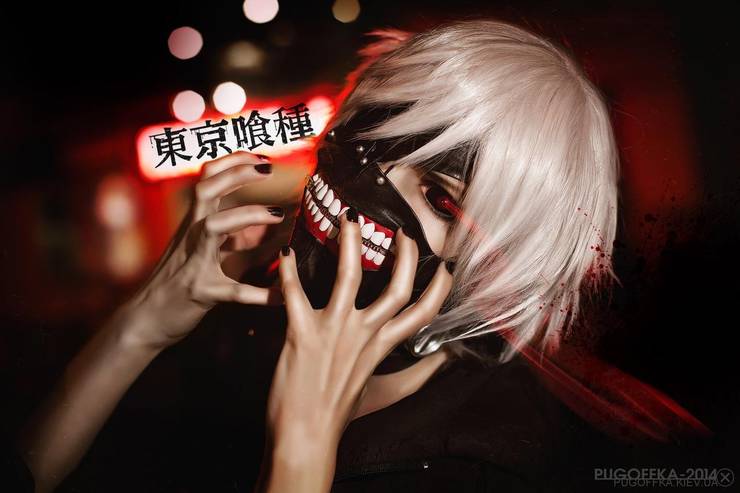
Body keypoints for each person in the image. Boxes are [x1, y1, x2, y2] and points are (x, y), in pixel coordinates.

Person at [15, 18, 628, 492]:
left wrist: (300, 452)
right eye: (369, 140)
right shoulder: (248, 328)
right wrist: (142, 325)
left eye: (440, 198)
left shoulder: (493, 464)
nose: (364, 188)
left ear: (506, 263)